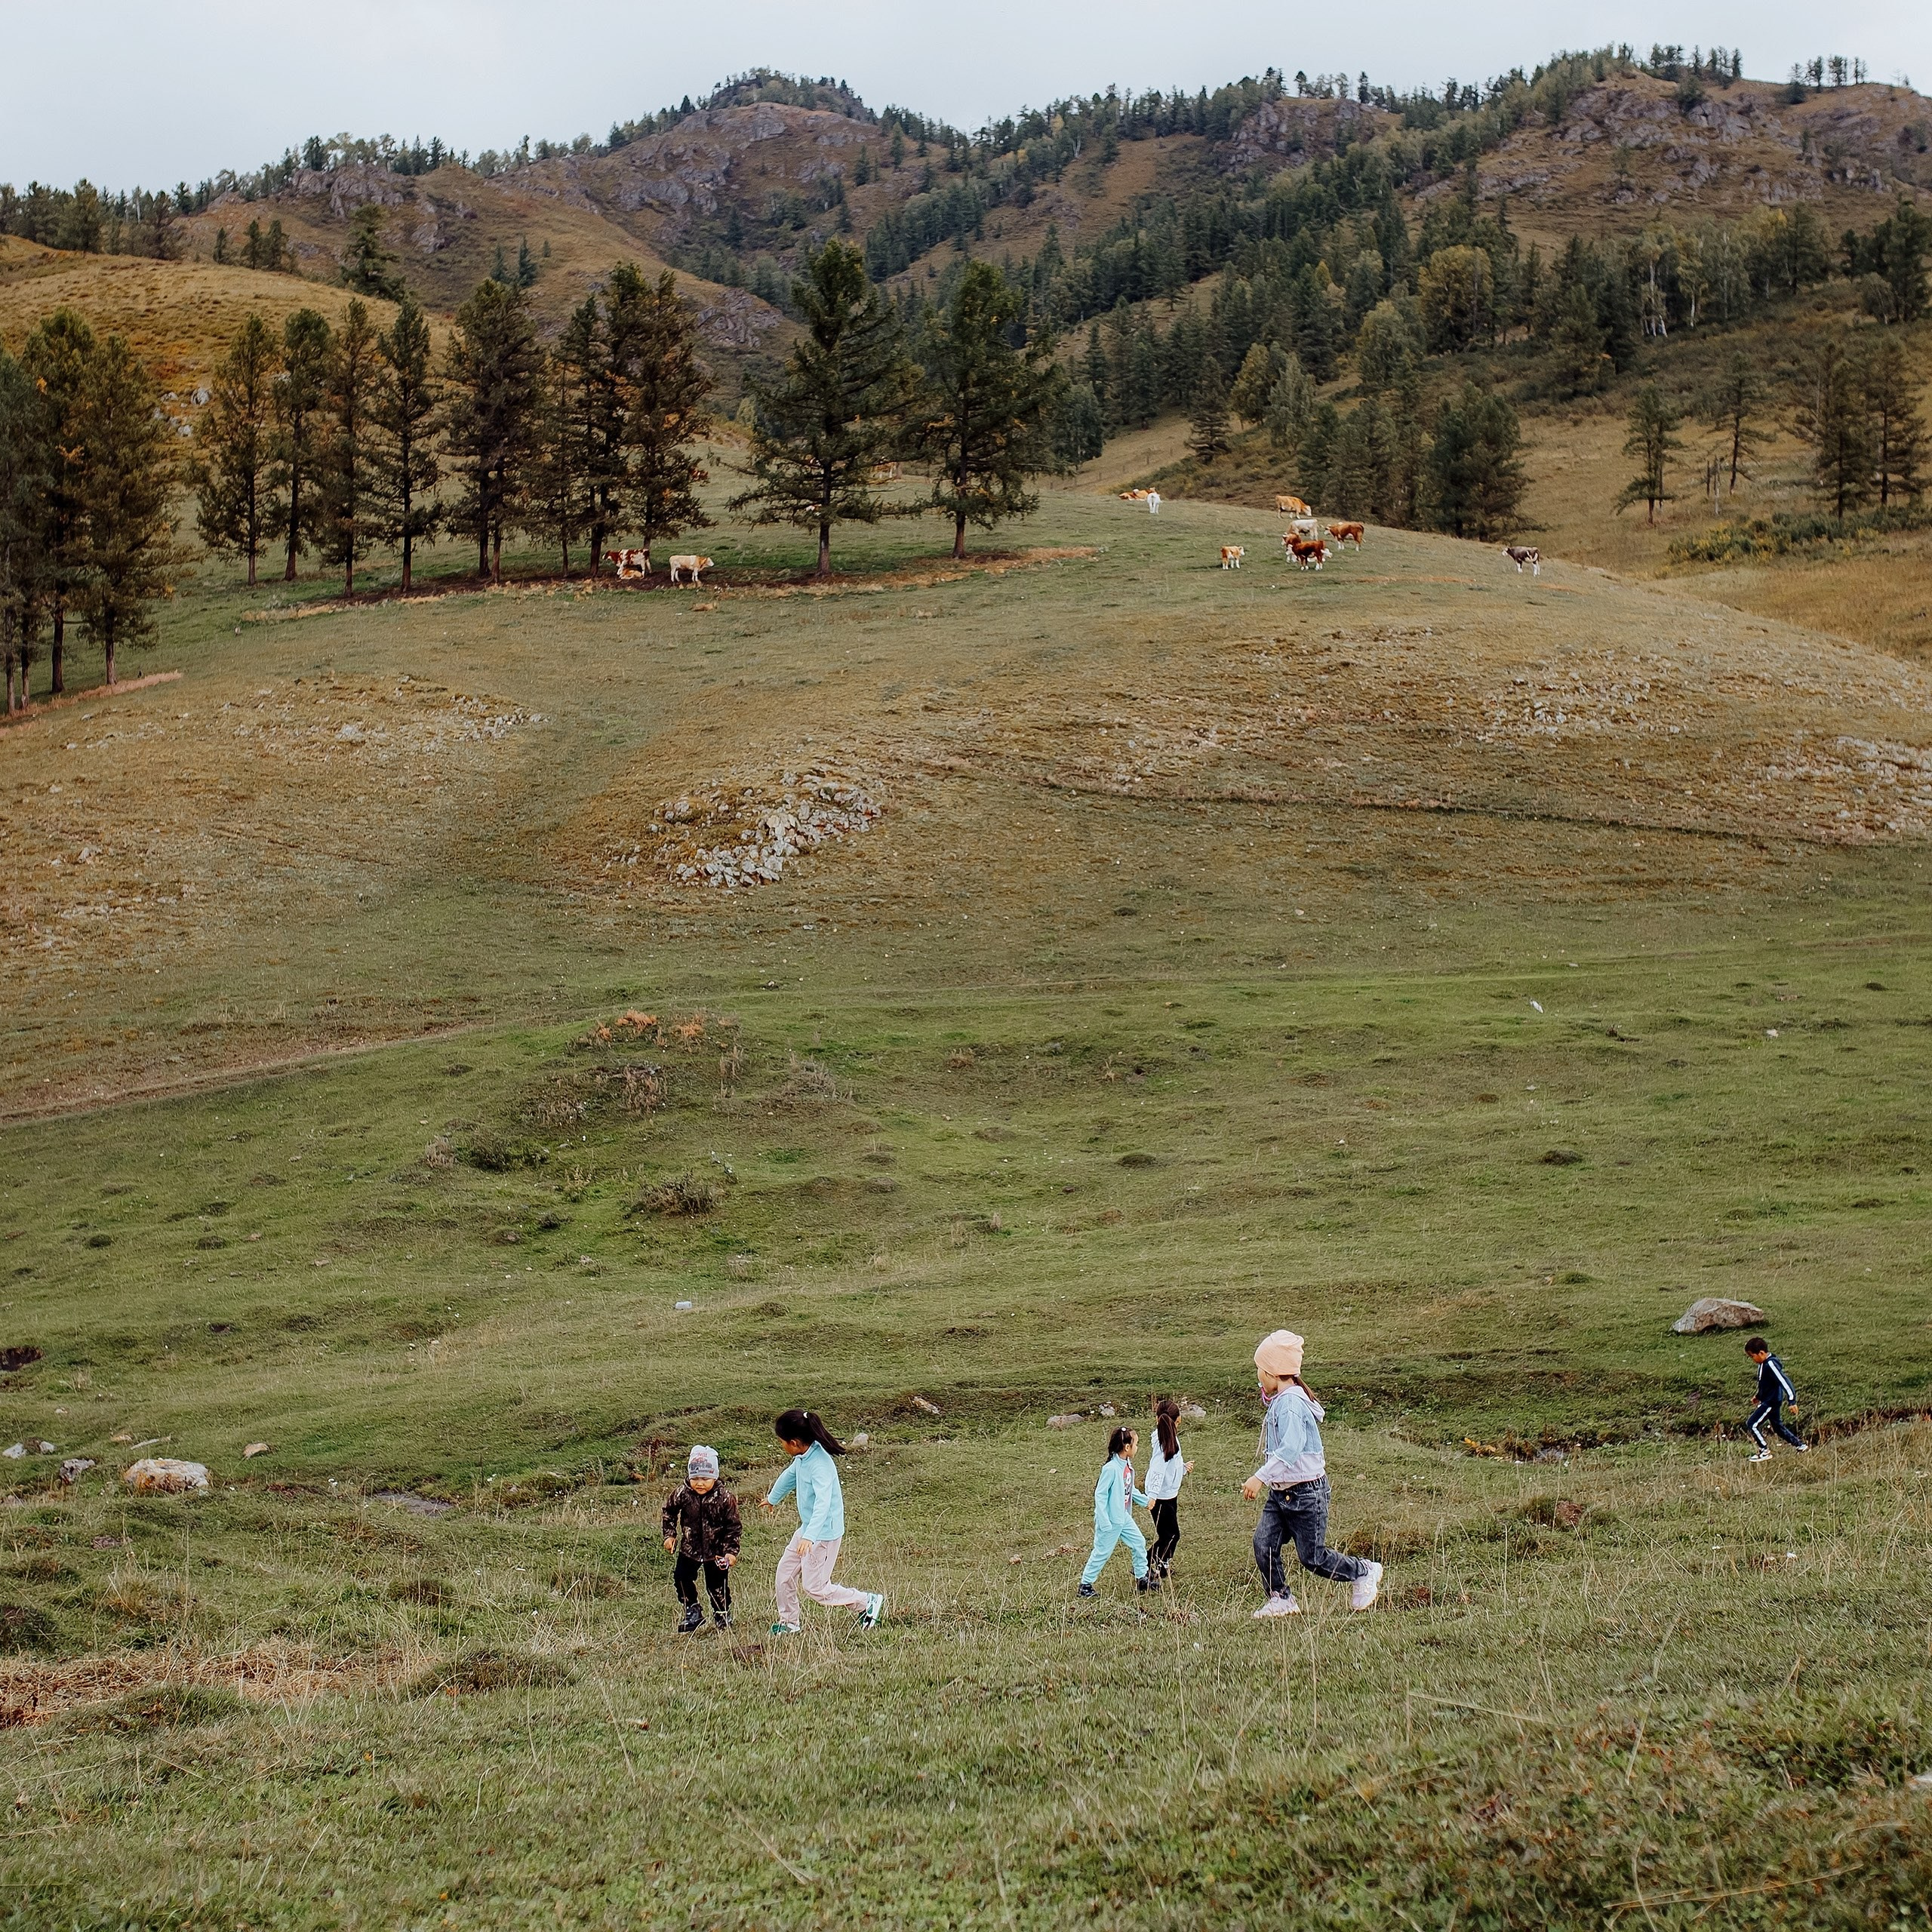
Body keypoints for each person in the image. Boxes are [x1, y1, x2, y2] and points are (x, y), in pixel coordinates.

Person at [1242, 1330, 1381, 1617]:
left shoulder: (1291, 1405)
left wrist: (1260, 1477)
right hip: (1282, 1493)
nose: (1258, 1378)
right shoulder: (1284, 1401)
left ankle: (1364, 1571)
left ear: (1273, 1372)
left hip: (1306, 1494)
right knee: (1263, 1543)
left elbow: (1291, 1449)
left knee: (1313, 1558)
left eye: (1260, 1372)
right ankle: (1280, 1599)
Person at [760, 1408, 884, 1635]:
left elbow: (823, 1505)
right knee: (784, 1574)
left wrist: (810, 1537)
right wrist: (772, 1498)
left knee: (816, 1588)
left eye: (781, 1442)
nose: (781, 1445)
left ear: (794, 1442)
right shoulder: (803, 1457)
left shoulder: (820, 1466)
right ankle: (789, 1623)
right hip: (808, 1530)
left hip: (823, 1534)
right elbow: (790, 1476)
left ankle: (866, 1602)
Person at [661, 1444, 740, 1632]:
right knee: (681, 1578)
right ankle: (692, 1610)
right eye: (695, 1478)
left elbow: (734, 1526)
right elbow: (669, 1513)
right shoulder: (682, 1493)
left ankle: (722, 1615)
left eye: (705, 1478)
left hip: (717, 1552)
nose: (700, 1483)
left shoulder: (725, 1497)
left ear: (715, 1476)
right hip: (690, 1548)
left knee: (717, 1586)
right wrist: (669, 1535)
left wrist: (731, 1551)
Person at [1078, 1424, 1155, 1598]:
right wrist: (1104, 1521)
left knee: (1139, 1542)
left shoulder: (1126, 1465)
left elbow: (1130, 1489)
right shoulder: (1111, 1469)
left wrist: (1146, 1501)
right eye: (1136, 1444)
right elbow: (1100, 1495)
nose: (1137, 1448)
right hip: (1111, 1521)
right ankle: (1085, 1585)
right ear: (1127, 1447)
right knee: (1102, 1552)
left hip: (1123, 1517)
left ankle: (1142, 1577)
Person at [1144, 1398, 1192, 1583]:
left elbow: (1171, 1465)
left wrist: (1183, 1468)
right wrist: (1153, 1496)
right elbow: (1158, 1469)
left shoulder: (1169, 1438)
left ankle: (1163, 1566)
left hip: (1170, 1494)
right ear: (1178, 1420)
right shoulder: (1163, 1441)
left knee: (1169, 1534)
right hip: (1161, 1498)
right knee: (1170, 1535)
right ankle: (1145, 1563)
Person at [1743, 1337, 1808, 1463]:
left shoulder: (1771, 1364)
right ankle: (1801, 1446)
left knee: (1752, 1424)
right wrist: (1758, 1396)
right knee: (1778, 1427)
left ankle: (1764, 1451)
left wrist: (1792, 1401)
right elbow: (1766, 1384)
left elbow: (1784, 1381)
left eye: (1752, 1356)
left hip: (1771, 1402)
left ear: (1761, 1353)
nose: (1752, 1360)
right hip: (1768, 1399)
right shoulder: (1763, 1364)